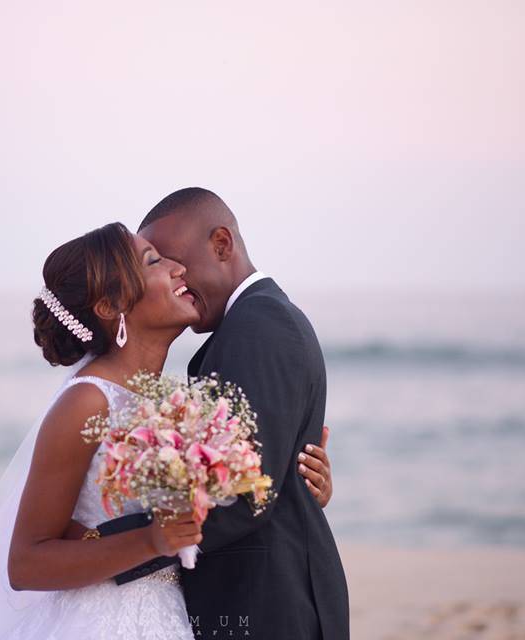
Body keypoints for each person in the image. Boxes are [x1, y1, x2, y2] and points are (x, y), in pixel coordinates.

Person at [0, 219, 334, 640]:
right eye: (154, 261)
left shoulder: (169, 403)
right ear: (109, 306)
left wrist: (291, 478)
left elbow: (219, 499)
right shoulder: (87, 402)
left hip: (170, 617)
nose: (178, 269)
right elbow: (25, 563)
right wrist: (152, 541)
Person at [111, 187, 350, 639]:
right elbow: (263, 474)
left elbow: (244, 495)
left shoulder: (259, 326)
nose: (174, 279)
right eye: (161, 267)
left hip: (270, 604)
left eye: (176, 263)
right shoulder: (250, 324)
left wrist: (106, 551)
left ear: (222, 244)